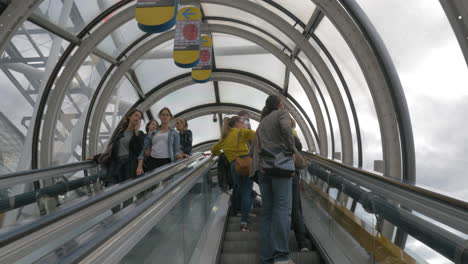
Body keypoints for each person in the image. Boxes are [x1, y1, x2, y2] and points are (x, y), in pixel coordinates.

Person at [251, 95, 296, 264]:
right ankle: (282, 257)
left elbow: (254, 150)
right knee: (283, 210)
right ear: (279, 104)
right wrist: (291, 150)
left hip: (264, 171)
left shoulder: (261, 123)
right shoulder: (281, 114)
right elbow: (286, 129)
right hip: (280, 169)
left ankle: (266, 258)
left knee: (267, 213)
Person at [211, 116, 255, 231]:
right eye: (241, 122)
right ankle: (244, 222)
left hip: (233, 166)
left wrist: (224, 153)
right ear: (236, 123)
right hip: (245, 163)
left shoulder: (224, 138)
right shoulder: (241, 132)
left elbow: (214, 150)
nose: (243, 124)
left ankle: (237, 211)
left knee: (239, 189)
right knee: (247, 191)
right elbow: (256, 136)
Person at [94, 109, 146, 186]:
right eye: (136, 115)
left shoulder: (140, 134)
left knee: (125, 193)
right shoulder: (120, 132)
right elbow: (112, 150)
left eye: (140, 117)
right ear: (129, 117)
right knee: (110, 190)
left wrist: (136, 132)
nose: (138, 118)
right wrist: (96, 157)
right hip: (116, 166)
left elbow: (140, 151)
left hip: (129, 168)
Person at [137, 107, 185, 175]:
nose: (165, 116)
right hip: (152, 161)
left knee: (167, 184)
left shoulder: (175, 133)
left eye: (167, 115)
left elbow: (176, 151)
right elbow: (143, 150)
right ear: (159, 117)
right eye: (163, 115)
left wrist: (181, 155)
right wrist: (139, 166)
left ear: (170, 117)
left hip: (167, 162)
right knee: (152, 184)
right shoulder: (152, 133)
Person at [290, 117, 308, 252]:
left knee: (279, 208)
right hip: (291, 172)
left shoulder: (265, 131)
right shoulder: (291, 132)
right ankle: (302, 243)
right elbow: (299, 147)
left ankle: (280, 248)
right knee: (296, 206)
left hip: (272, 175)